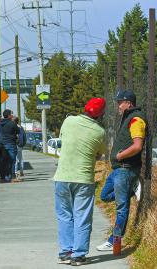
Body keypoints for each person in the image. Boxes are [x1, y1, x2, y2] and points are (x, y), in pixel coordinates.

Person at [53, 98, 106, 266]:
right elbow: (99, 154)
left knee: (64, 216)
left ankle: (66, 252)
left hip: (62, 177)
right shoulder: (100, 132)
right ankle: (79, 255)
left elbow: (62, 141)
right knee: (82, 217)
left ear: (84, 108)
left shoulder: (68, 121)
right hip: (83, 179)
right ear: (101, 114)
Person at [96, 90, 145, 252]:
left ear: (129, 103)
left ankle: (114, 240)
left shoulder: (136, 119)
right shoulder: (127, 118)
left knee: (121, 208)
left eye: (120, 102)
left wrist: (120, 155)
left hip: (125, 169)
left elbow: (137, 146)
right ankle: (132, 189)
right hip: (119, 170)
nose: (117, 105)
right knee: (104, 196)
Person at [0, 109, 19, 182]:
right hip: (11, 143)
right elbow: (18, 131)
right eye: (11, 114)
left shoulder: (0, 123)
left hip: (3, 144)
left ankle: (2, 178)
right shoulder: (12, 123)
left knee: (3, 161)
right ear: (9, 115)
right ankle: (13, 177)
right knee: (12, 161)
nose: (12, 115)